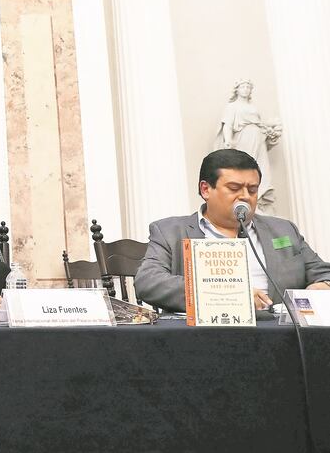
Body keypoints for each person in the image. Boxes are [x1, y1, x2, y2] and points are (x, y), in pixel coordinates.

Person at [134, 149, 330, 312]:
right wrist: (230, 295)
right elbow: (148, 282)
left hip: (280, 336)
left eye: (252, 190)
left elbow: (324, 273)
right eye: (234, 188)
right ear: (205, 190)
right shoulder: (170, 231)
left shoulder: (283, 230)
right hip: (204, 338)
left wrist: (321, 287)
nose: (245, 196)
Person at [213, 79, 281, 210]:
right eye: (243, 87)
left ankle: (259, 198)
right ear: (237, 89)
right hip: (243, 140)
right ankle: (245, 197)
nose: (245, 89)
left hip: (259, 141)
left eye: (248, 87)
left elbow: (260, 124)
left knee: (260, 168)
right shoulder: (232, 107)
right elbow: (227, 124)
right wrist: (228, 140)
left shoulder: (252, 107)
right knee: (244, 169)